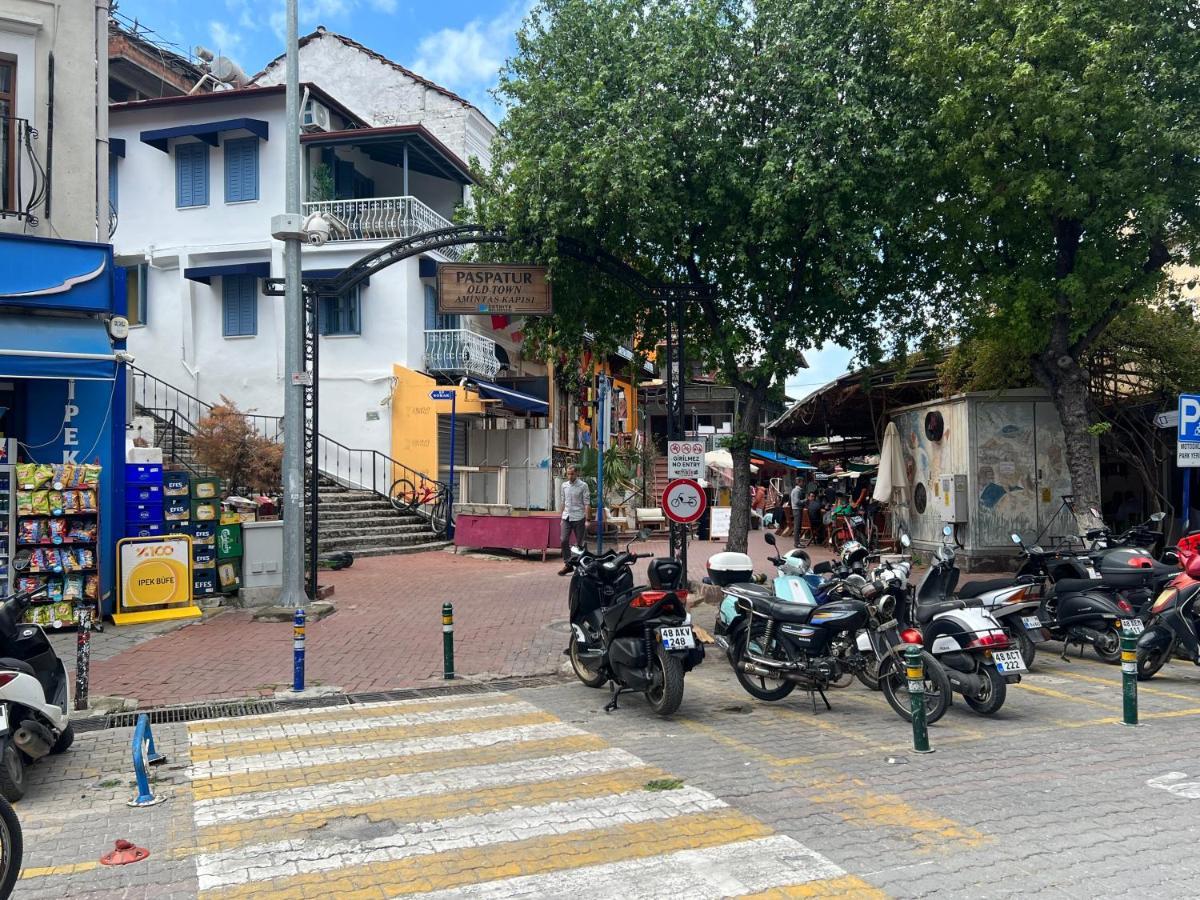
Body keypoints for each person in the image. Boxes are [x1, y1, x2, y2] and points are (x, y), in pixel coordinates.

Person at [558, 465, 590, 575]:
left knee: (580, 544)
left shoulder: (583, 486)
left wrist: (587, 519)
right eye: (568, 474)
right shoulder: (564, 486)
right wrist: (561, 517)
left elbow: (586, 503)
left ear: (576, 474)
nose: (570, 476)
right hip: (566, 517)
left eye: (572, 474)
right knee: (563, 540)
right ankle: (568, 564)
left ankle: (582, 564)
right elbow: (563, 501)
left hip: (579, 517)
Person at [789, 477, 805, 547]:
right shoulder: (797, 491)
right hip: (797, 509)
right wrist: (805, 500)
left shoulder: (795, 490)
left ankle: (797, 542)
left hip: (796, 509)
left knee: (797, 526)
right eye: (802, 482)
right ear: (798, 482)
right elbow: (797, 502)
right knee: (797, 526)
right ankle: (797, 543)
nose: (803, 483)